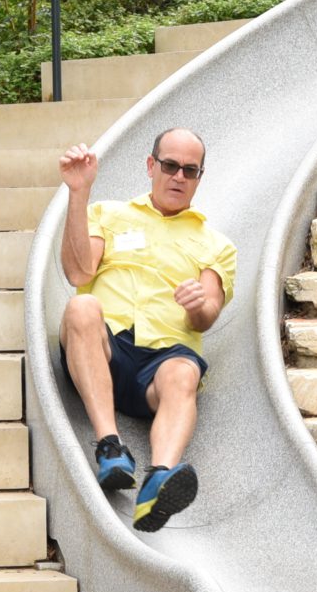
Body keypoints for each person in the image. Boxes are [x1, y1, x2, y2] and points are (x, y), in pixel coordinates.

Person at [57, 127, 236, 531]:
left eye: (190, 170)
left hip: (161, 364)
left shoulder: (217, 245)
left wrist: (198, 306)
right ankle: (111, 447)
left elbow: (208, 314)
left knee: (185, 372)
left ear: (200, 177)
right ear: (151, 165)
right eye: (170, 165)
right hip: (103, 348)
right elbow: (78, 273)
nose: (179, 176)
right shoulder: (109, 215)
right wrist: (79, 193)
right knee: (82, 305)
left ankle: (158, 480)